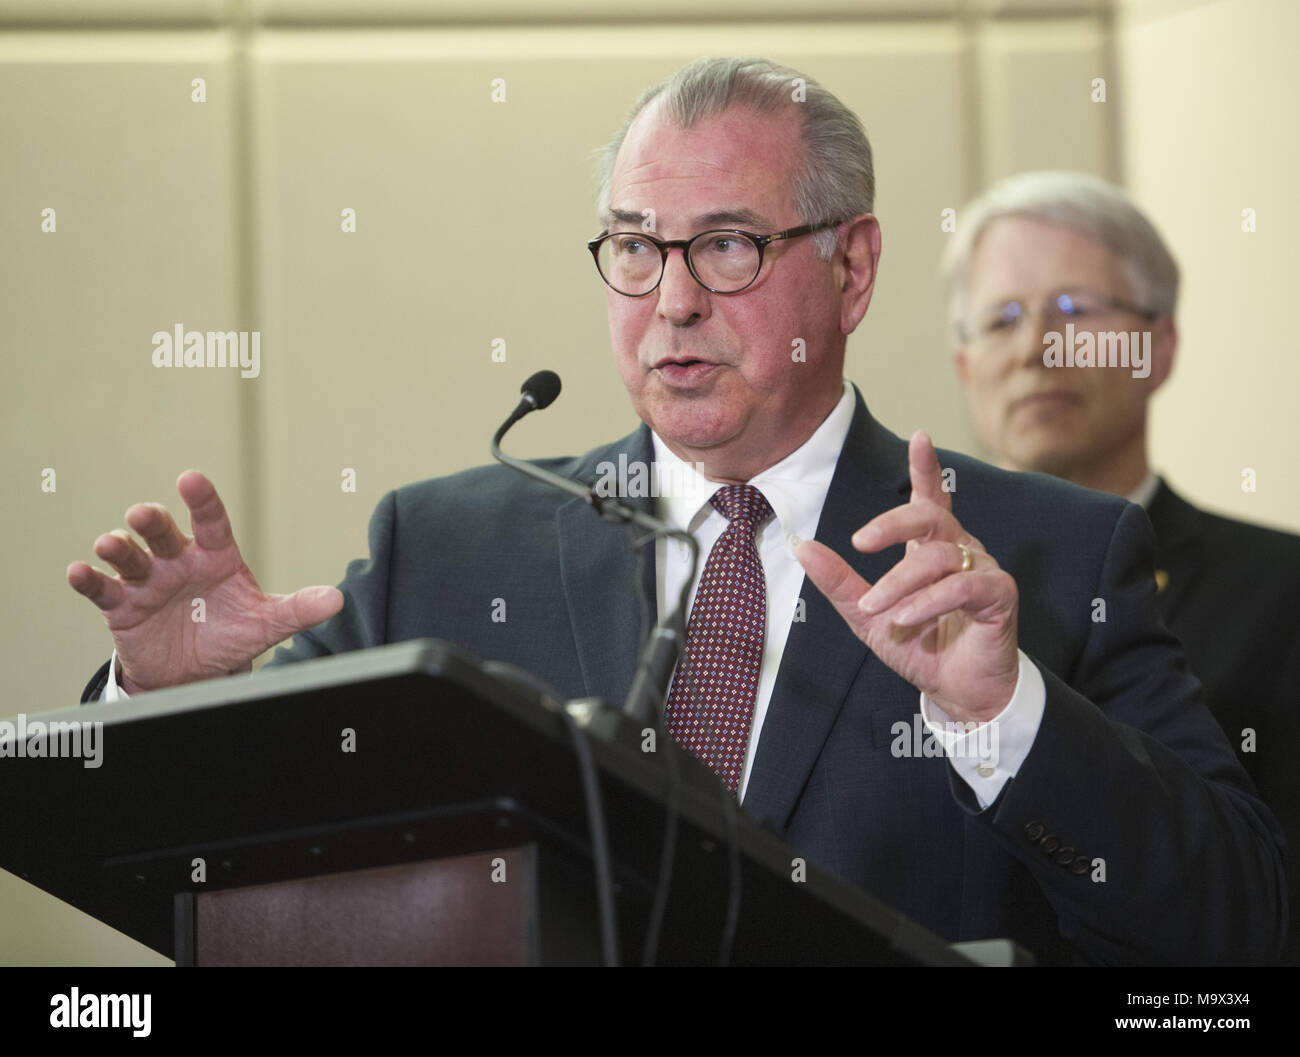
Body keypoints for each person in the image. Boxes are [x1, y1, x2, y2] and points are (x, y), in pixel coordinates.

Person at [69, 58, 1284, 965]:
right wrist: (165, 707)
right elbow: (229, 877)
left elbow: (1237, 926)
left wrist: (1005, 714)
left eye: (730, 248)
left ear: (851, 270)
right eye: (636, 249)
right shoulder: (443, 548)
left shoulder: (1040, 554)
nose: (673, 304)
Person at [944, 170, 1300, 962]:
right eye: (1002, 318)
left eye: (1075, 310)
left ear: (1158, 346)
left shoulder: (1281, 590)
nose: (1037, 346)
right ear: (967, 367)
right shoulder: (918, 594)